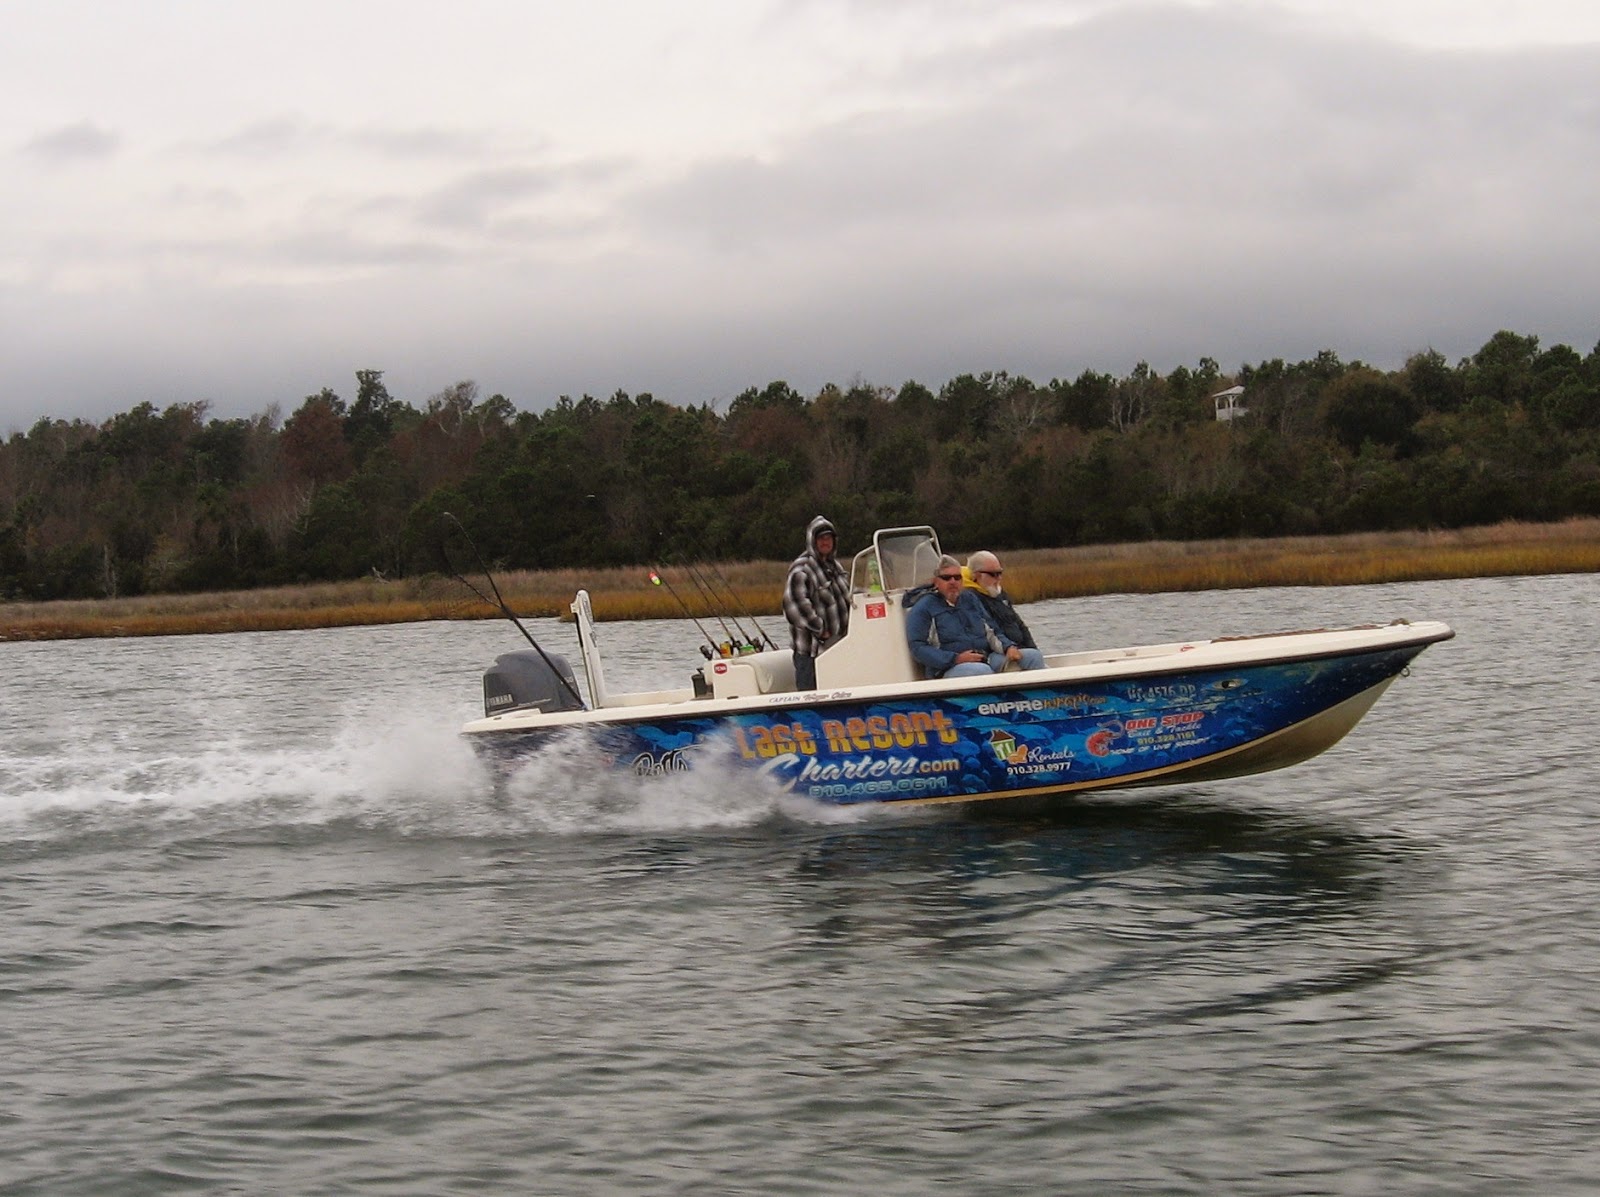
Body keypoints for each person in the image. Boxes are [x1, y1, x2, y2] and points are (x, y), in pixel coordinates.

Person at [906, 555, 1046, 678]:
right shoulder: (924, 607)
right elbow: (918, 647)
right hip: (947, 668)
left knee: (1033, 656)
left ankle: (1040, 698)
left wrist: (1008, 647)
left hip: (985, 657)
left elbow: (992, 631)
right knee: (981, 671)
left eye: (957, 577)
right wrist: (956, 658)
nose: (953, 581)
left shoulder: (970, 599)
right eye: (946, 578)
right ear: (936, 581)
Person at [783, 515, 850, 691]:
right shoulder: (802, 569)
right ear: (812, 541)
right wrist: (821, 630)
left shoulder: (836, 567)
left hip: (838, 648)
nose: (826, 542)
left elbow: (847, 595)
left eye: (829, 537)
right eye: (821, 538)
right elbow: (794, 607)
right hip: (811, 653)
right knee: (810, 697)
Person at [964, 550, 1036, 650]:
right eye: (994, 574)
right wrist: (1009, 648)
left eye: (1000, 573)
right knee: (1031, 656)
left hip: (1018, 648)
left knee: (1034, 654)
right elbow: (990, 631)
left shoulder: (999, 594)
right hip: (999, 651)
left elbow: (1019, 623)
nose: (999, 578)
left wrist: (1032, 647)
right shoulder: (970, 598)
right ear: (977, 575)